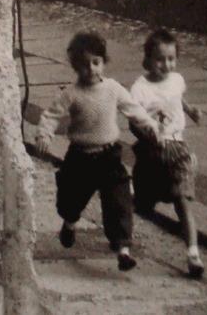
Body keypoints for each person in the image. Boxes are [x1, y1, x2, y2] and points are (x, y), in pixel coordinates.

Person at [34, 30, 157, 271]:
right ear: (74, 67)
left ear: (104, 62)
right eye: (84, 65)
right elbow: (51, 115)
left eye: (96, 63)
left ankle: (122, 248)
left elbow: (133, 108)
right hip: (80, 156)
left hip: (110, 155)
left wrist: (149, 124)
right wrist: (44, 134)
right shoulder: (71, 93)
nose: (91, 69)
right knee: (70, 198)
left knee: (119, 200)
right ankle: (69, 222)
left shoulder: (112, 88)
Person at [129, 27, 204, 278]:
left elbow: (176, 98)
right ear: (148, 60)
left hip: (177, 148)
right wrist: (147, 135)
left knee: (183, 199)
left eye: (171, 59)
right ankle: (120, 234)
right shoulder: (139, 89)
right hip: (151, 153)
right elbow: (133, 121)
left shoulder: (177, 80)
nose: (166, 64)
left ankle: (193, 253)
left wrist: (190, 110)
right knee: (143, 205)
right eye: (160, 59)